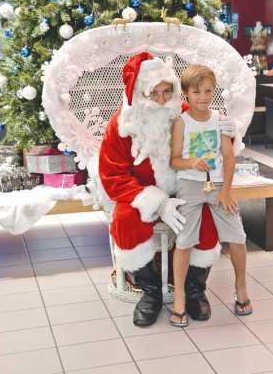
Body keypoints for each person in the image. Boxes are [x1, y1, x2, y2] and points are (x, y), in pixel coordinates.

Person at [98, 52, 237, 327]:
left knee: (207, 217)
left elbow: (212, 141)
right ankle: (150, 292)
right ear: (139, 95)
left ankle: (195, 290)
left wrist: (229, 133)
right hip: (140, 194)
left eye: (167, 92)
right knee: (126, 220)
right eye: (154, 94)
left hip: (187, 187)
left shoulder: (184, 114)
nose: (162, 101)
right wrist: (158, 202)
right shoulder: (122, 125)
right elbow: (112, 174)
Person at [169, 64, 252, 327]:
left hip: (218, 186)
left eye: (208, 91)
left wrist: (226, 191)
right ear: (186, 94)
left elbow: (228, 158)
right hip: (190, 185)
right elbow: (174, 160)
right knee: (184, 240)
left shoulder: (221, 121)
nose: (203, 97)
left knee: (237, 236)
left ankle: (241, 286)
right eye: (196, 92)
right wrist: (191, 162)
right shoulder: (181, 123)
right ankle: (180, 295)